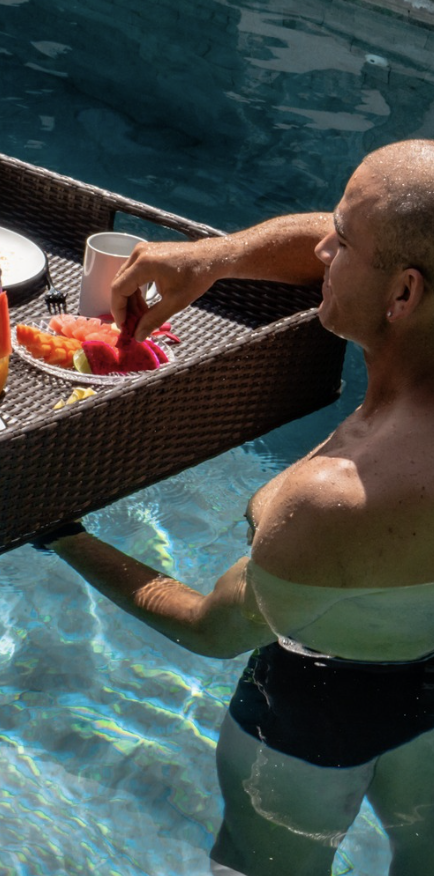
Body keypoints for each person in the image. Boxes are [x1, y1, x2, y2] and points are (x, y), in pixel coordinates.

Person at [35, 140, 434, 876]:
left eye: (340, 242)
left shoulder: (336, 499)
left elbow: (209, 629)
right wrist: (210, 258)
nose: (320, 249)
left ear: (403, 295)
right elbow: (385, 238)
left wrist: (56, 528)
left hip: (308, 723)